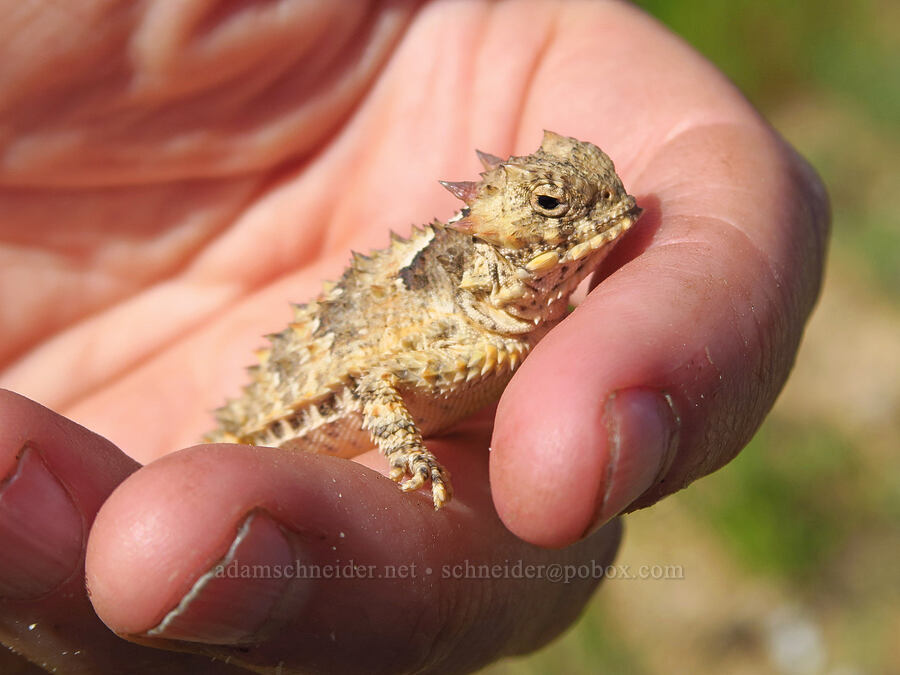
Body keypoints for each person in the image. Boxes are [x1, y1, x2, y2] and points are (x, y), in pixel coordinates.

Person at [0, 1, 828, 672]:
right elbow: (373, 385)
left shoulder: (531, 317)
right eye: (551, 210)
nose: (605, 218)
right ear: (509, 243)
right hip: (283, 423)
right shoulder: (467, 330)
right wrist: (407, 453)